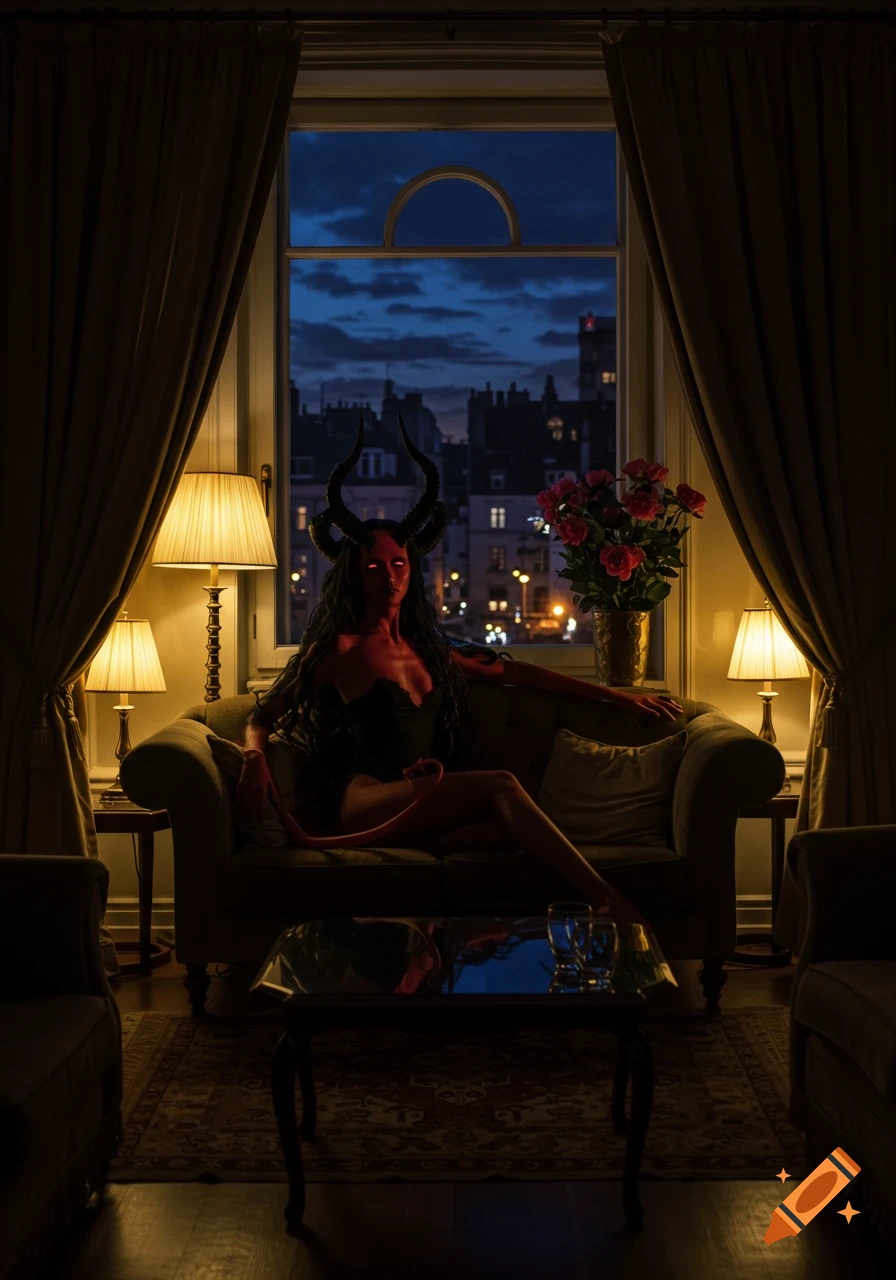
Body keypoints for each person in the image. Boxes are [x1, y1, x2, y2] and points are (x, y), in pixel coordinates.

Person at [237, 416, 682, 920]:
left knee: (505, 833)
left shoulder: (429, 651)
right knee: (500, 785)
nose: (388, 576)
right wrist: (253, 759)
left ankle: (510, 939)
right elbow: (261, 716)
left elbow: (517, 675)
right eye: (374, 566)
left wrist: (619, 696)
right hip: (362, 800)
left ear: (412, 569)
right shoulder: (342, 649)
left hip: (417, 798)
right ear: (355, 575)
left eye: (398, 564)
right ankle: (608, 901)